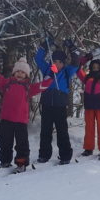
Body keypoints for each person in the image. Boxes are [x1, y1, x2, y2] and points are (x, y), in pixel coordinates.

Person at [0, 55, 53, 170]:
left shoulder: (28, 87)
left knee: (22, 144)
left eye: (22, 72)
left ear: (26, 75)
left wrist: (52, 76)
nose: (19, 74)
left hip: (20, 121)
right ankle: (5, 161)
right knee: (4, 142)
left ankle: (21, 163)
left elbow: (42, 86)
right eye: (17, 71)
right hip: (6, 119)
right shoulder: (6, 83)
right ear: (13, 73)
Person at [35, 37, 77, 165]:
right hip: (47, 104)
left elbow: (76, 62)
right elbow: (38, 59)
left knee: (62, 131)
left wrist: (71, 48)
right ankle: (44, 154)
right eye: (55, 61)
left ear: (64, 63)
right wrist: (44, 46)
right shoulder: (47, 68)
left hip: (60, 106)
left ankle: (65, 155)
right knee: (45, 131)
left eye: (59, 61)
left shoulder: (66, 71)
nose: (57, 63)